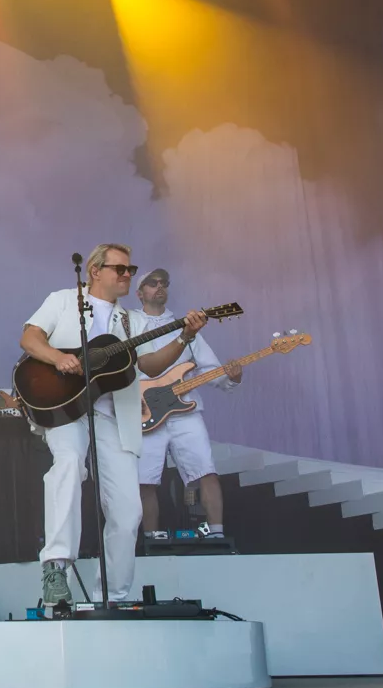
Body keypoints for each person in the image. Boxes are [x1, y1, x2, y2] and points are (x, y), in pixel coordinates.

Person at [20, 243, 208, 607]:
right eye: (119, 269)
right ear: (95, 270)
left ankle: (114, 596)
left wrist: (185, 336)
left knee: (128, 509)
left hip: (114, 416)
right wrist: (58, 358)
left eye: (130, 270)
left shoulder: (131, 321)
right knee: (68, 465)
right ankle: (56, 568)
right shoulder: (63, 300)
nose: (127, 275)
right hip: (66, 408)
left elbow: (151, 366)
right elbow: (30, 338)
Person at [134, 268, 241, 539]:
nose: (159, 286)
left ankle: (216, 534)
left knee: (206, 470)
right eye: (152, 283)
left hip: (185, 411)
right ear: (139, 293)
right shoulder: (129, 324)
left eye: (164, 283)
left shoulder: (187, 326)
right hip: (144, 410)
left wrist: (232, 378)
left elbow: (210, 370)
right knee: (144, 480)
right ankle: (151, 539)